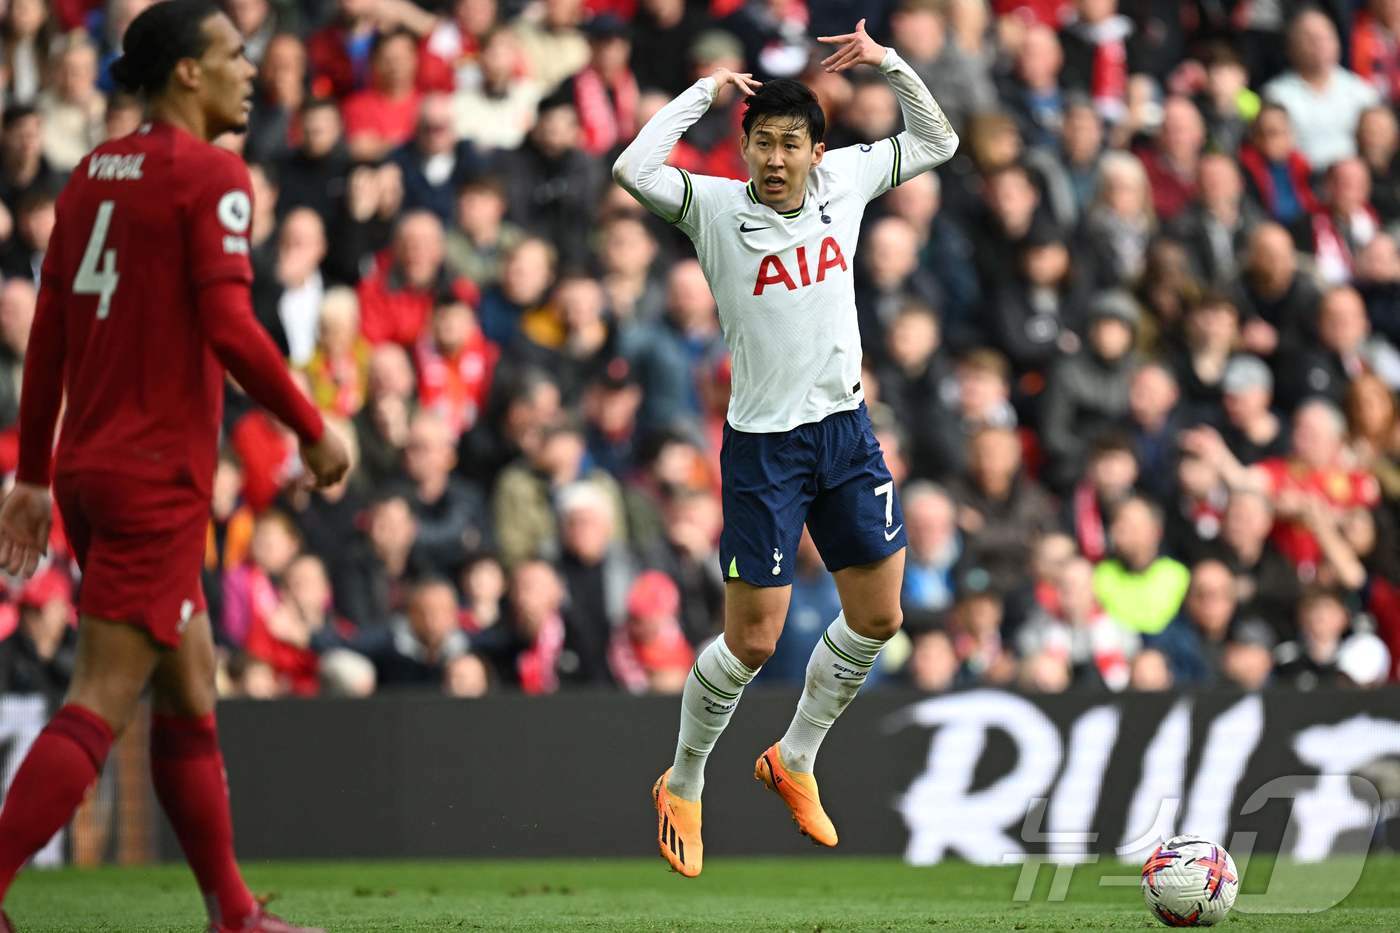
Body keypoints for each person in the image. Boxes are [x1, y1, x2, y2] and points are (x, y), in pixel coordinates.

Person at [0, 4, 349, 932]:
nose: (250, 69)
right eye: (234, 54)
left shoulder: (85, 178)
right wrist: (312, 427)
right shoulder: (211, 175)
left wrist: (32, 476)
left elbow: (51, 338)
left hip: (88, 466)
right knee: (102, 694)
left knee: (188, 683)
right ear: (187, 74)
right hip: (156, 470)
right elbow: (231, 326)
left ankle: (232, 911)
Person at [613, 17, 958, 877]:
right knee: (755, 642)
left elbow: (939, 139)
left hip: (844, 429)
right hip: (764, 448)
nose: (775, 158)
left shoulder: (846, 180)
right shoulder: (715, 206)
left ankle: (793, 756)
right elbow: (631, 169)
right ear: (745, 149)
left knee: (880, 616)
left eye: (790, 144)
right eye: (762, 142)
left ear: (815, 149)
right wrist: (702, 92)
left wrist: (888, 61)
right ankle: (684, 778)